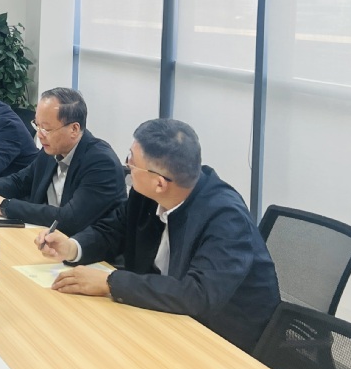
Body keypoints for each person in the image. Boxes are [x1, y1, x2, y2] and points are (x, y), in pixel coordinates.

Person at [36, 118, 279, 352]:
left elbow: (198, 294)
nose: (127, 167)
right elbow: (114, 229)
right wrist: (73, 247)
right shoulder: (149, 193)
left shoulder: (226, 218)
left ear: (160, 183)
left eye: (132, 162)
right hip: (162, 319)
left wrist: (110, 282)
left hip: (223, 342)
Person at [0, 87, 124, 235]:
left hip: (81, 247)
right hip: (43, 237)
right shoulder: (51, 150)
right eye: (37, 125)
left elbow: (71, 219)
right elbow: (21, 180)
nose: (39, 135)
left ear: (74, 129)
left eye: (46, 129)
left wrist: (6, 206)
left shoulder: (101, 163)